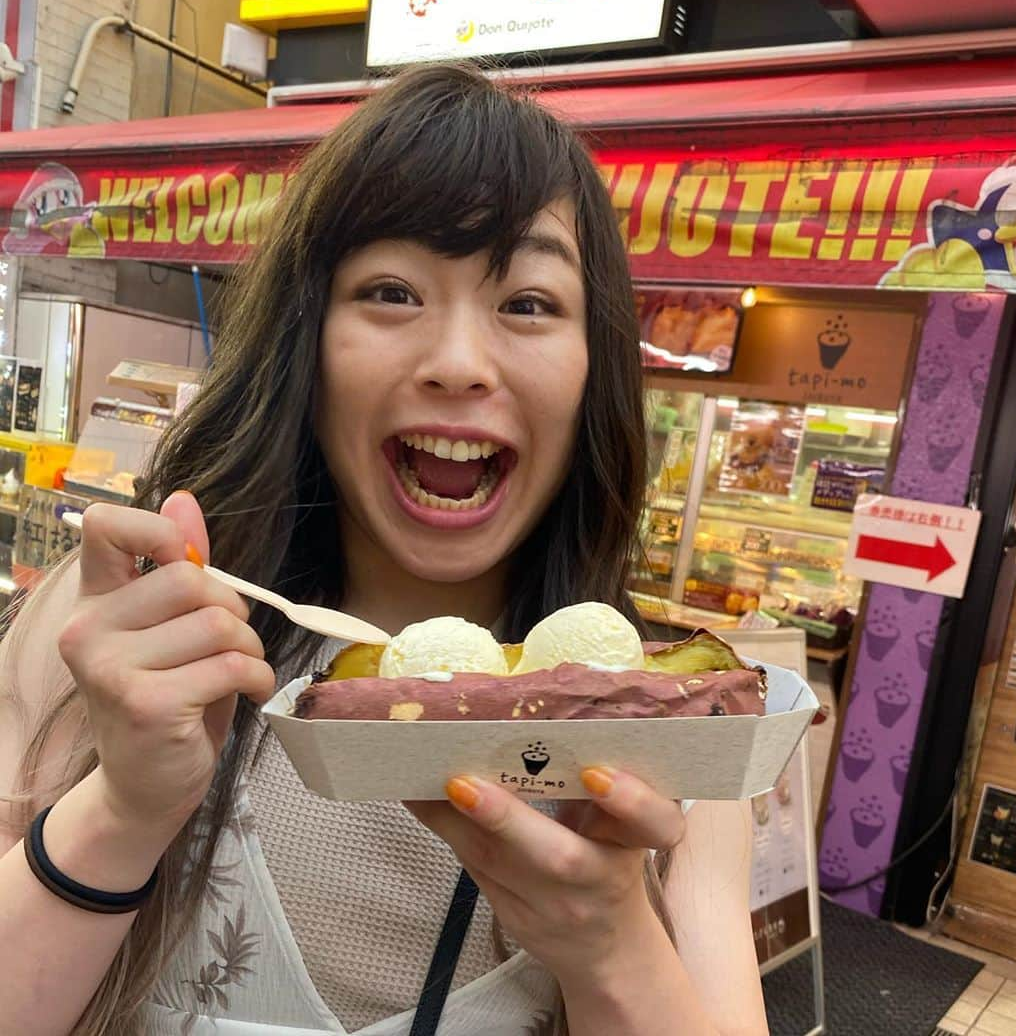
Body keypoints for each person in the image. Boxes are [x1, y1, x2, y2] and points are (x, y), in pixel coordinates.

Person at [0, 64, 767, 1036]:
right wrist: (123, 807)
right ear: (304, 345)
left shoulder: (672, 731)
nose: (456, 363)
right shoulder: (123, 639)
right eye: (392, 291)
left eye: (528, 303)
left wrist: (609, 945)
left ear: (593, 374)